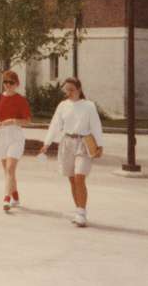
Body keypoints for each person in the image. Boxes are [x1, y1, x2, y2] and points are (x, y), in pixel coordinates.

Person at [39, 77, 104, 227]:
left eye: (71, 90)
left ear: (79, 90)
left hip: (84, 143)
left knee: (80, 177)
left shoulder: (89, 106)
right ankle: (78, 211)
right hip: (67, 143)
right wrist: (46, 143)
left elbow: (96, 125)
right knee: (72, 180)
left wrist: (100, 145)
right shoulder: (63, 106)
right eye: (66, 90)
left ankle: (82, 213)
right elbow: (55, 125)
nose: (68, 93)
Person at [0, 70, 32, 212]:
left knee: (10, 169)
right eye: (5, 82)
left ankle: (6, 198)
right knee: (8, 171)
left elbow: (27, 121)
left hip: (15, 135)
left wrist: (13, 121)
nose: (8, 85)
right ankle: (15, 195)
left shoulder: (21, 100)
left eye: (11, 82)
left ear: (17, 84)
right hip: (1, 134)